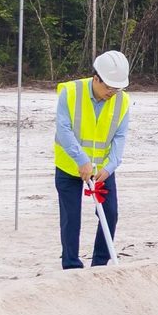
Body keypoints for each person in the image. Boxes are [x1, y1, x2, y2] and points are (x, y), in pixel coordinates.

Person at [54, 51, 131, 269]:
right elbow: (64, 130)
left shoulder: (122, 101)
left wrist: (109, 167)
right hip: (70, 166)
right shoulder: (70, 92)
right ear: (96, 77)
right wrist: (81, 160)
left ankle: (99, 263)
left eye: (117, 88)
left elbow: (120, 137)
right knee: (71, 217)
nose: (112, 93)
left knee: (110, 213)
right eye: (108, 87)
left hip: (102, 170)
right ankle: (71, 264)